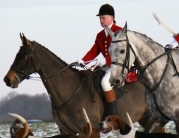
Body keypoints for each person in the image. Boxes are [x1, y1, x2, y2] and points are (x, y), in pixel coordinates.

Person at [77, 3, 122, 115]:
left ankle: (113, 115)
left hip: (118, 66)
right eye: (100, 18)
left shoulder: (120, 32)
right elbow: (94, 50)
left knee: (105, 83)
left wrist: (105, 60)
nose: (101, 21)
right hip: (105, 66)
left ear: (112, 18)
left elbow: (118, 52)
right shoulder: (100, 35)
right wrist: (83, 60)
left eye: (103, 18)